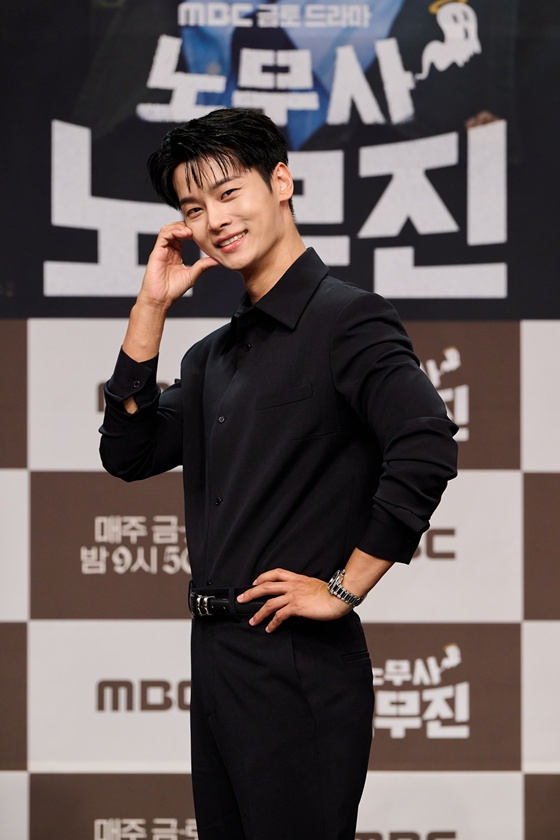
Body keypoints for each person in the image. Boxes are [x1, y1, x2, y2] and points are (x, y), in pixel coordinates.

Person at [99, 107, 458, 840]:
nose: (214, 220)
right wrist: (151, 307)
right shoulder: (211, 356)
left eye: (229, 192)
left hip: (296, 662)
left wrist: (343, 587)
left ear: (282, 182)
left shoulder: (348, 319)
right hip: (217, 655)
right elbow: (128, 454)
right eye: (192, 208)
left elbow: (425, 442)